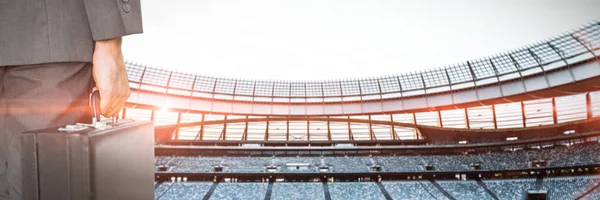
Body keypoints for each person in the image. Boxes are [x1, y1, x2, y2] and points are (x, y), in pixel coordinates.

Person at [0, 0, 143, 199]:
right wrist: (110, 40)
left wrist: (110, 43)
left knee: (43, 184)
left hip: (47, 39)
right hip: (50, 37)